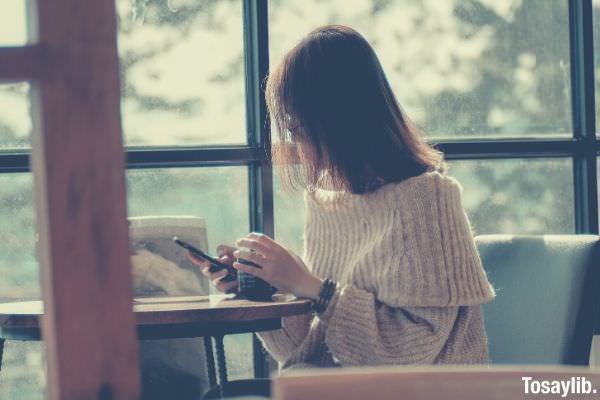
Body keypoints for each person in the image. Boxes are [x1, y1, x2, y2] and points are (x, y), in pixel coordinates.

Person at [190, 25, 495, 368]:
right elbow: (313, 349)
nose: (296, 145)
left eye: (298, 129)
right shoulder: (327, 206)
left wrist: (313, 288)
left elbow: (412, 347)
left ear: (336, 122)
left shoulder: (426, 199)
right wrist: (261, 289)